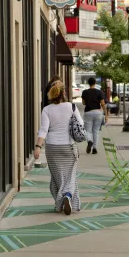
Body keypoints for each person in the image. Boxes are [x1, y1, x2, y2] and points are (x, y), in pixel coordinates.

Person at [35, 81, 83, 215]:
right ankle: (67, 196)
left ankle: (59, 204)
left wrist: (38, 147)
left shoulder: (46, 109)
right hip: (69, 147)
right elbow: (80, 124)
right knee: (70, 177)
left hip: (52, 148)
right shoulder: (71, 107)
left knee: (57, 178)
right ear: (64, 93)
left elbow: (43, 130)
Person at [81, 77, 108, 154]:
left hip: (88, 112)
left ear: (88, 83)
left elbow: (83, 103)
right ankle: (95, 148)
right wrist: (106, 115)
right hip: (97, 112)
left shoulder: (85, 92)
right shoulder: (99, 92)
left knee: (87, 130)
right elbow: (102, 104)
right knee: (96, 131)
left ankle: (89, 141)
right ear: (95, 83)